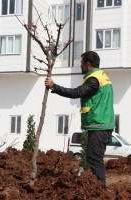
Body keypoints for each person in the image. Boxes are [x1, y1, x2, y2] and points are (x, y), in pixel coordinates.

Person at [45, 51, 115, 189]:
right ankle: (98, 187)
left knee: (94, 158)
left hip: (99, 124)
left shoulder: (94, 79)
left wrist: (54, 86)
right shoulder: (102, 76)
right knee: (93, 157)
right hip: (101, 124)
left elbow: (76, 93)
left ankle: (101, 190)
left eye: (81, 64)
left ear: (87, 64)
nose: (80, 67)